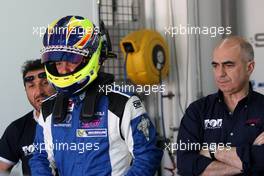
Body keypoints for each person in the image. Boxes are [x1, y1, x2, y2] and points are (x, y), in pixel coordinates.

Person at [29, 15, 163, 176]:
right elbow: (40, 157)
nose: (63, 69)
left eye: (71, 60)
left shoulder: (123, 104)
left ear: (90, 58)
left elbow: (148, 155)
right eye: (58, 62)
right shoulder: (48, 108)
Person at [177, 36, 264, 176]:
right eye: (215, 65)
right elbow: (186, 164)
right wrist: (250, 161)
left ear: (249, 67)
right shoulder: (197, 111)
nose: (220, 73)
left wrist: (212, 151)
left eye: (228, 65)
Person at [0, 59, 54, 175]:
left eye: (45, 82)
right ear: (25, 90)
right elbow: (1, 169)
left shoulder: (76, 120)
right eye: (31, 86)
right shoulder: (17, 129)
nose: (39, 91)